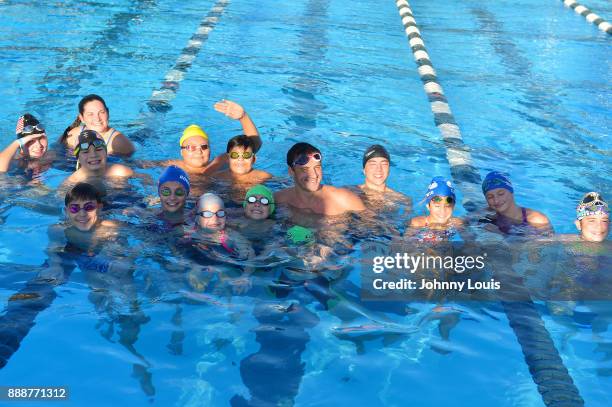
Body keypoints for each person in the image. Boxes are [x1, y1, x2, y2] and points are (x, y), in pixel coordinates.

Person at [148, 100, 261, 176]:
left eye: (204, 146)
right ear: (181, 152)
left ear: (210, 149)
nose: (198, 151)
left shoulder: (221, 163)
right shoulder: (172, 166)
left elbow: (253, 145)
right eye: (191, 147)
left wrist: (243, 117)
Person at [274, 142, 366, 216]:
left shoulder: (346, 200)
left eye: (317, 167)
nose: (314, 175)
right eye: (305, 169)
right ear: (291, 171)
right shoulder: (278, 200)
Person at [61, 94, 135, 156]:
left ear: (108, 113)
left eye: (102, 112)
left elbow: (131, 164)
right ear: (82, 118)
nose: (97, 118)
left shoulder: (118, 142)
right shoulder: (73, 135)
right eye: (90, 114)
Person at [481, 171, 551, 235]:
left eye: (501, 194)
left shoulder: (536, 219)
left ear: (511, 192)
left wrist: (500, 234)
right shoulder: (488, 214)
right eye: (490, 197)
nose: (496, 200)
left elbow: (546, 245)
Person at [62, 130, 133, 192]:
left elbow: (143, 180)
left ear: (106, 153)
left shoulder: (120, 171)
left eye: (98, 150)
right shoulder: (71, 184)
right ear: (78, 158)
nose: (93, 155)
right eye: (85, 152)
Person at [407, 176, 464, 242]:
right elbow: (403, 246)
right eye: (437, 206)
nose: (442, 211)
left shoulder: (457, 223)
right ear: (428, 206)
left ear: (453, 207)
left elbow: (471, 243)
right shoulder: (417, 224)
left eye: (447, 206)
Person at [358, 144, 411, 210]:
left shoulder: (403, 200)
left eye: (384, 164)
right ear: (364, 170)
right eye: (373, 164)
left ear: (389, 169)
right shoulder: (351, 193)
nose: (379, 169)